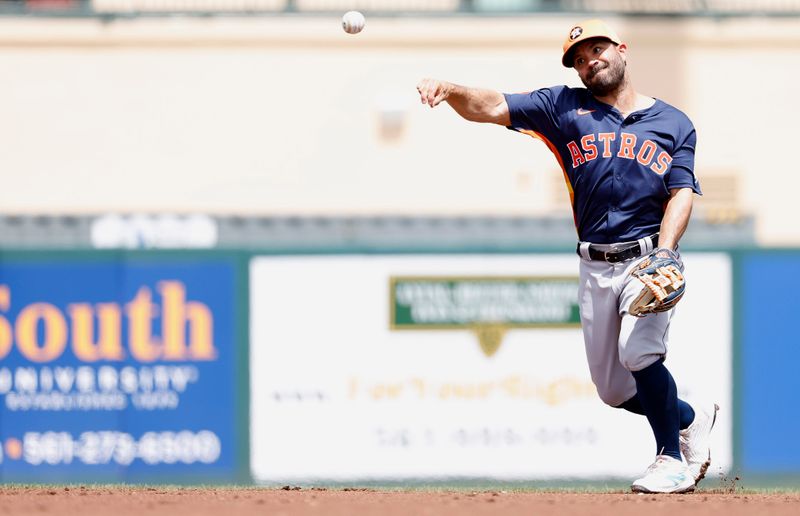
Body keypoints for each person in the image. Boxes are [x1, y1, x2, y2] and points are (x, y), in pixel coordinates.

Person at [416, 19, 718, 494]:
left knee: (640, 353)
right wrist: (450, 88)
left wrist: (666, 252)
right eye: (578, 57)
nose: (588, 60)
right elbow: (493, 104)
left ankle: (671, 459)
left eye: (596, 49)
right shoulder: (562, 107)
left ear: (622, 49)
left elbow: (681, 192)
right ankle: (689, 418)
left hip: (647, 259)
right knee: (613, 390)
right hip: (594, 262)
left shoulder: (675, 123)